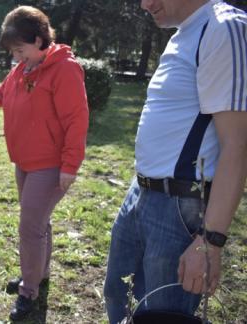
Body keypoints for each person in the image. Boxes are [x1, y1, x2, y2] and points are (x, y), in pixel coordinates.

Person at [103, 1, 247, 323]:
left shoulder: (223, 26)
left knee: (160, 315)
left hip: (179, 209)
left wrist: (210, 243)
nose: (145, 4)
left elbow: (237, 145)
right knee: (118, 298)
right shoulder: (183, 32)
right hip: (140, 194)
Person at [0, 5, 89, 321]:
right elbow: (0, 96)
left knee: (29, 228)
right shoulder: (22, 70)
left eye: (19, 49)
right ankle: (39, 274)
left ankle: (29, 292)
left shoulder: (64, 69)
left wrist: (70, 165)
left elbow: (76, 120)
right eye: (12, 51)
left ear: (39, 40)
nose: (15, 56)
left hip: (49, 165)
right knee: (39, 224)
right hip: (24, 162)